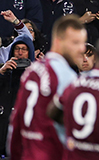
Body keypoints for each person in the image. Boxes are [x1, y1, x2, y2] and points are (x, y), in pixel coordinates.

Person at [9, 16, 87, 160]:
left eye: (82, 43)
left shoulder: (33, 69)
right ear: (58, 41)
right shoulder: (66, 77)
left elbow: (16, 121)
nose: (81, 48)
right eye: (76, 42)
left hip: (28, 153)